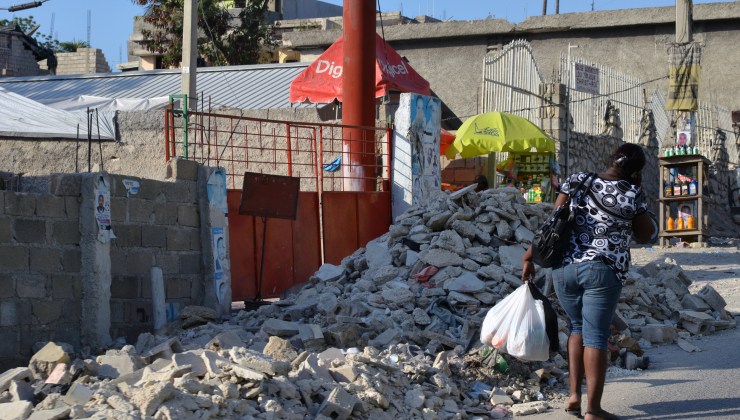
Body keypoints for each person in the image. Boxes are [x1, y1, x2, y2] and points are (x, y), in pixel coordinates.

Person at [521, 143, 656, 420]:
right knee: (596, 336)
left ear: (610, 159)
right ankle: (593, 410)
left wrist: (529, 256)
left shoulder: (578, 180)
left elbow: (553, 222)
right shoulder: (632, 194)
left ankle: (573, 397)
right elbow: (645, 235)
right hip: (602, 270)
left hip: (564, 269)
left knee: (576, 329)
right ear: (637, 171)